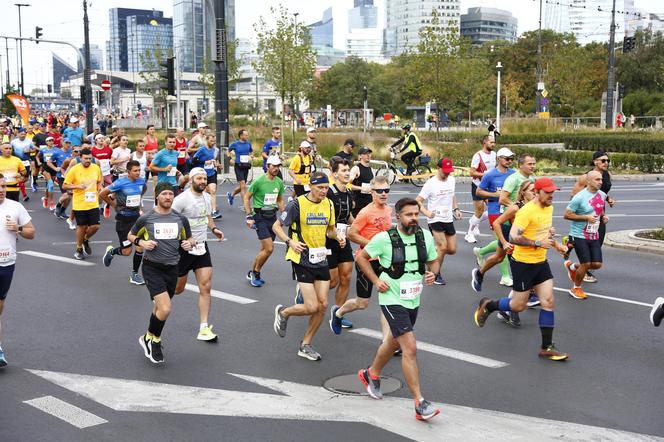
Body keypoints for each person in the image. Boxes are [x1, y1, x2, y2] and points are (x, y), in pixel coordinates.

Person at [356, 198, 440, 421]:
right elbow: (362, 258)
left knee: (393, 340)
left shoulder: (424, 236)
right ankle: (420, 403)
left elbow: (434, 259)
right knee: (409, 348)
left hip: (413, 297)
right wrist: (375, 280)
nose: (414, 218)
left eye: (416, 214)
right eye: (409, 215)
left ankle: (370, 373)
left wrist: (433, 272)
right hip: (391, 297)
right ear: (398, 217)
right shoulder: (385, 239)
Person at [473, 177, 569, 361]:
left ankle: (546, 347)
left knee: (548, 302)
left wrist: (556, 245)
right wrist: (537, 243)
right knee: (518, 305)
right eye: (548, 192)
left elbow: (543, 232)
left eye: (553, 192)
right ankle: (489, 305)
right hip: (523, 264)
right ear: (538, 192)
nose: (551, 195)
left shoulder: (549, 208)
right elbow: (514, 237)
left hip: (541, 262)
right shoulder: (526, 211)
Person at [272, 172, 345, 361]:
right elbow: (276, 226)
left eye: (326, 187)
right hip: (301, 257)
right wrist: (290, 242)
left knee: (322, 306)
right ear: (311, 186)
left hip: (320, 257)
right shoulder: (297, 204)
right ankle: (284, 312)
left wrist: (338, 237)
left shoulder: (328, 203)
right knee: (312, 306)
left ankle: (305, 345)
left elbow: (330, 229)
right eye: (320, 187)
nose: (323, 191)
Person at [128, 183, 195, 364]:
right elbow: (130, 236)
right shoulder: (147, 218)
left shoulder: (180, 219)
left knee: (159, 309)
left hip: (172, 268)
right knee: (165, 308)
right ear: (157, 196)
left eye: (171, 194)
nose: (168, 197)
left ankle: (147, 337)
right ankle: (154, 341)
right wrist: (142, 243)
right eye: (164, 194)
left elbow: (189, 238)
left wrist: (190, 243)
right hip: (152, 267)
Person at [331, 176, 393, 336]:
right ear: (372, 192)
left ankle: (387, 342)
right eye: (380, 191)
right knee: (362, 303)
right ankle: (338, 313)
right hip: (366, 261)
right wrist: (372, 245)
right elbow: (351, 234)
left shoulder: (388, 209)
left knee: (389, 301)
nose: (384, 194)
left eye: (386, 190)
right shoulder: (365, 212)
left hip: (385, 261)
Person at [474, 180, 537, 327]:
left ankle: (510, 307)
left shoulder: (537, 208)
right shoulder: (516, 207)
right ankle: (508, 309)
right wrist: (504, 242)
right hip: (513, 241)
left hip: (527, 246)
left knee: (522, 276)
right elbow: (497, 223)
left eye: (536, 190)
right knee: (521, 278)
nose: (535, 193)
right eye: (532, 190)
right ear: (523, 193)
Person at [172, 168, 225, 342]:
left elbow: (207, 217)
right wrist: (183, 240)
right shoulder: (181, 200)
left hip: (201, 247)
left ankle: (203, 328)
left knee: (206, 286)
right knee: (178, 289)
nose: (203, 181)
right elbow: (169, 222)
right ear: (191, 180)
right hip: (183, 249)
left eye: (204, 178)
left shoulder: (208, 198)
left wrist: (214, 229)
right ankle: (160, 301)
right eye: (199, 178)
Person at [0, 174, 36, 367]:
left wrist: (19, 229)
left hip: (6, 264)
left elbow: (31, 232)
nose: (1, 190)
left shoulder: (15, 207)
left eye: (3, 186)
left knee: (0, 307)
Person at [472, 148, 516, 288]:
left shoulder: (513, 174)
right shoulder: (490, 175)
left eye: (511, 159)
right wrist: (495, 195)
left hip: (510, 211)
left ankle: (481, 251)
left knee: (506, 241)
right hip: (495, 211)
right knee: (503, 243)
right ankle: (505, 276)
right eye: (507, 158)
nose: (509, 161)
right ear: (498, 159)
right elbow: (479, 191)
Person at [568, 150, 614, 283]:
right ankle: (584, 272)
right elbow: (574, 195)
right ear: (595, 161)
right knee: (589, 240)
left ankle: (570, 244)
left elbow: (602, 192)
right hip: (586, 212)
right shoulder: (586, 177)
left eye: (608, 161)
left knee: (598, 240)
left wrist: (608, 199)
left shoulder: (607, 175)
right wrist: (582, 209)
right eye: (603, 160)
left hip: (600, 211)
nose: (606, 163)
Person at [415, 158, 461, 285]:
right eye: (445, 171)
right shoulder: (431, 183)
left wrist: (456, 208)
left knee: (451, 249)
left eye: (449, 171)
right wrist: (427, 213)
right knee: (442, 246)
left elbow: (452, 195)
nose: (447, 174)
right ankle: (435, 274)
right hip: (435, 219)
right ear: (438, 168)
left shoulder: (451, 180)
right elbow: (418, 200)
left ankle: (430, 253)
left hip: (448, 218)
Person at [563, 170, 608, 300]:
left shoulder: (602, 194)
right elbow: (567, 215)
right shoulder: (579, 197)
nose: (600, 182)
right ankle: (576, 288)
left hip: (593, 234)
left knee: (597, 264)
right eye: (597, 180)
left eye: (601, 179)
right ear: (588, 181)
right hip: (579, 235)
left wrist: (604, 216)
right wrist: (586, 218)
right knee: (586, 263)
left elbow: (600, 208)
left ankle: (572, 266)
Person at [100, 160, 147, 285]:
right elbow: (103, 193)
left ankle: (134, 274)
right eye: (135, 171)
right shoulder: (120, 182)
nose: (138, 173)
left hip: (136, 218)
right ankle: (112, 252)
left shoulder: (141, 181)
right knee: (126, 252)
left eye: (139, 170)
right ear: (128, 172)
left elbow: (143, 189)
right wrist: (114, 205)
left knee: (140, 246)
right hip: (123, 220)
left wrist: (138, 202)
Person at [244, 155, 285, 287]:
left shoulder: (279, 182)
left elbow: (279, 199)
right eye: (274, 166)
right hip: (259, 216)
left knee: (264, 249)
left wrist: (284, 214)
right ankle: (256, 273)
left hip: (272, 217)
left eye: (278, 166)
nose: (276, 168)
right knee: (269, 248)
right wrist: (249, 216)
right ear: (267, 166)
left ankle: (252, 272)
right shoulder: (259, 181)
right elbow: (247, 197)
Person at [325, 157, 356, 333]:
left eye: (348, 170)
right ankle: (303, 290)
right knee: (332, 280)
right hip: (328, 238)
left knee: (346, 277)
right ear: (334, 173)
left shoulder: (349, 192)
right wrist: (335, 234)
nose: (347, 173)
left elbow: (348, 215)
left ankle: (338, 314)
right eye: (343, 171)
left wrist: (358, 226)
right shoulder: (328, 193)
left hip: (343, 238)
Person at [62, 148, 103, 260]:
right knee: (82, 226)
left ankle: (85, 239)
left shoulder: (95, 168)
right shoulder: (74, 169)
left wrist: (100, 188)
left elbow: (99, 181)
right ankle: (79, 248)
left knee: (95, 226)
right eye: (85, 158)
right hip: (79, 203)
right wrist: (77, 186)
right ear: (80, 158)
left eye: (90, 158)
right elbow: (65, 185)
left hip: (93, 202)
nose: (88, 161)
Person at [466, 135, 496, 243]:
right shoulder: (478, 156)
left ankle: (474, 221)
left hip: (490, 186)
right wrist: (484, 174)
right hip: (478, 185)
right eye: (491, 142)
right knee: (479, 211)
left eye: (494, 142)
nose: (493, 144)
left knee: (494, 209)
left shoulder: (494, 155)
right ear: (485, 143)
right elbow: (472, 172)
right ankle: (469, 234)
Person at [192, 134, 222, 219]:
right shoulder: (202, 149)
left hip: (211, 173)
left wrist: (218, 165)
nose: (213, 143)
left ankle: (214, 211)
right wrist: (204, 162)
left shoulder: (215, 150)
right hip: (202, 175)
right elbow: (194, 160)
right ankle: (202, 210)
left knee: (212, 191)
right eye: (211, 141)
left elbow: (215, 160)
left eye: (214, 141)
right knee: (203, 193)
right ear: (207, 140)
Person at [227, 129, 253, 206]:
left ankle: (231, 195)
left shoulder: (248, 144)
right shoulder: (235, 144)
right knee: (243, 185)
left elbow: (251, 151)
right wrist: (230, 159)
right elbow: (228, 151)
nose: (247, 136)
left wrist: (251, 156)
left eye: (247, 135)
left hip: (246, 166)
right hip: (238, 166)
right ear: (241, 136)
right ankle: (245, 205)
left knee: (242, 185)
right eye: (246, 135)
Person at [349, 146, 374, 217]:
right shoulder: (356, 169)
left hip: (369, 203)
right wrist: (361, 188)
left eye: (369, 153)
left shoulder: (371, 169)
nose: (368, 155)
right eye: (366, 154)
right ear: (360, 156)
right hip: (358, 204)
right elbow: (348, 185)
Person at [38, 137, 60, 210]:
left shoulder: (57, 150)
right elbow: (37, 156)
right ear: (46, 142)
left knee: (49, 186)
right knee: (50, 184)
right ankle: (52, 203)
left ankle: (45, 198)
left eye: (52, 140)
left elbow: (59, 157)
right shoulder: (43, 150)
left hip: (53, 167)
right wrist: (38, 162)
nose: (51, 142)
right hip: (45, 167)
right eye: (49, 141)